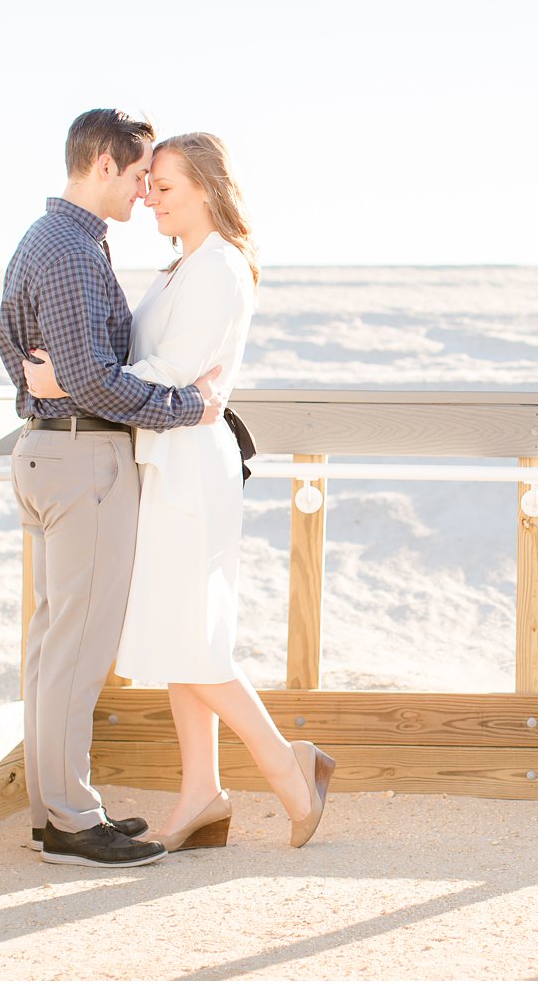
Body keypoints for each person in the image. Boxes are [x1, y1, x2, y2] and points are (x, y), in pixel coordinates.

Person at [24, 132, 335, 854]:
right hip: (159, 458)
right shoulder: (173, 271)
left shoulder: (222, 267)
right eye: (149, 183)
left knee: (198, 640)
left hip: (192, 465)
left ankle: (290, 767)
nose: (149, 197)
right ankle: (202, 791)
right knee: (174, 633)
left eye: (164, 186)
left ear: (205, 188)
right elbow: (134, 363)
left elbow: (167, 369)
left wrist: (62, 380)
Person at [0, 109, 226, 869]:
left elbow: (12, 343)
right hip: (81, 463)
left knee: (50, 646)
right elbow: (94, 377)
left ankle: (54, 810)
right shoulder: (68, 250)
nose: (141, 194)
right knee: (76, 648)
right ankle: (68, 818)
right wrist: (187, 405)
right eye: (136, 177)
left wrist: (47, 391)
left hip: (49, 453)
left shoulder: (47, 239)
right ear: (102, 165)